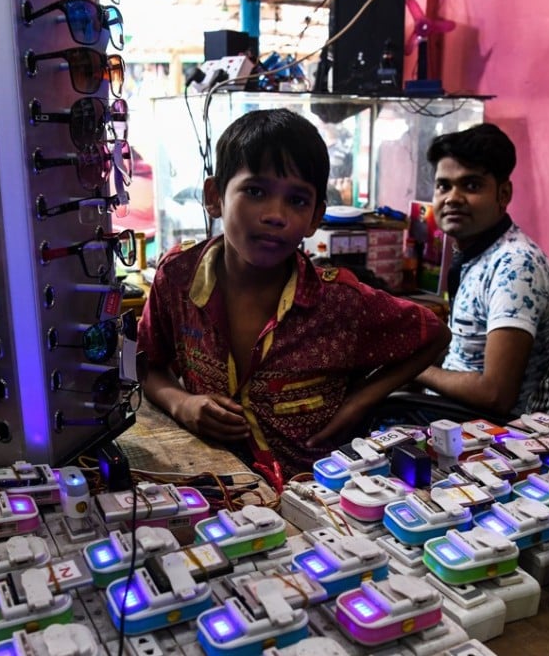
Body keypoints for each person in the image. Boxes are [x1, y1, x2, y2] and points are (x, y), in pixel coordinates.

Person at [137, 108, 448, 487]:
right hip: (213, 487)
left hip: (317, 496)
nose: (275, 215)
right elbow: (147, 364)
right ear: (215, 196)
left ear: (316, 216)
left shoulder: (339, 301)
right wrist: (180, 402)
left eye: (297, 201)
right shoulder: (178, 276)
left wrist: (361, 402)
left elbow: (434, 334)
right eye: (255, 191)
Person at [415, 123, 549, 418]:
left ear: (503, 194)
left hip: (491, 435)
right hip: (449, 414)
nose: (452, 198)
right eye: (444, 186)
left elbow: (496, 393)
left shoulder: (516, 266)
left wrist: (414, 371)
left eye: (471, 186)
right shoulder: (476, 254)